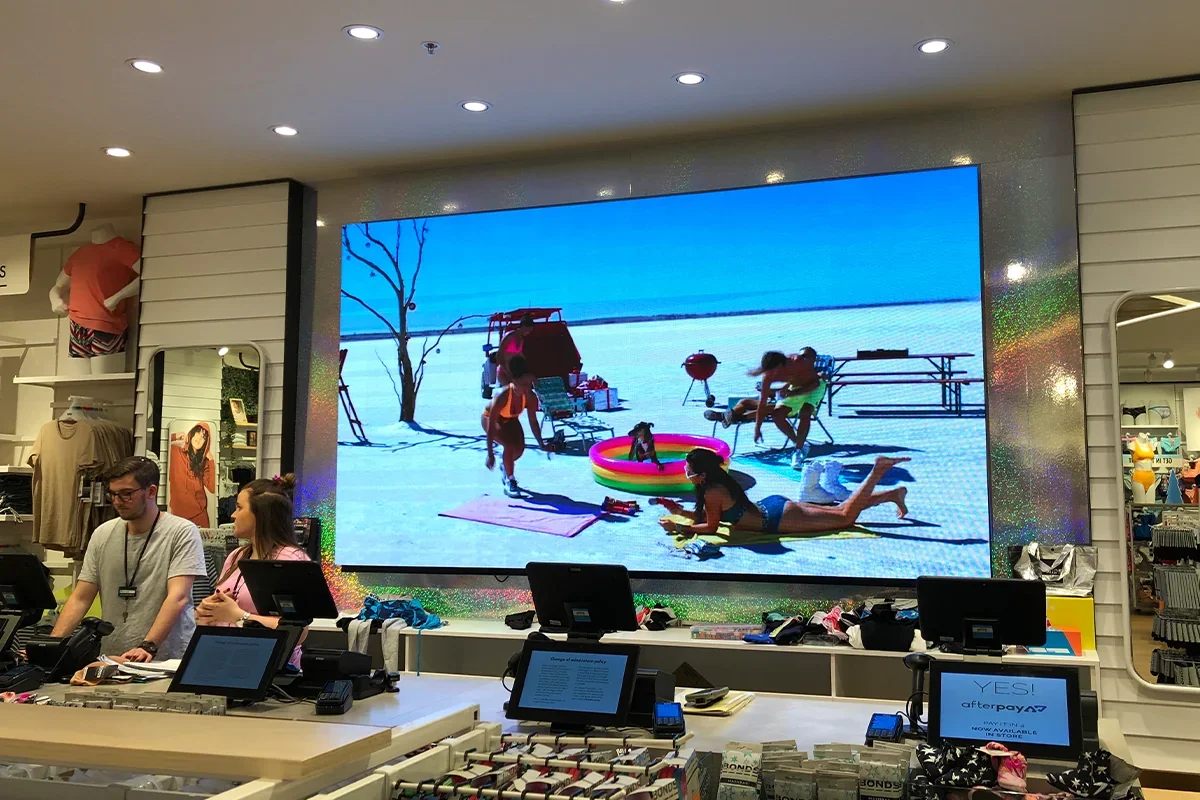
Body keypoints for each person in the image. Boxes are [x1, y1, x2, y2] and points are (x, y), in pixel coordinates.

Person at [52, 457, 206, 662]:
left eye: (126, 494)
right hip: (113, 655)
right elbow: (81, 597)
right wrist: (52, 646)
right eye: (112, 494)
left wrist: (148, 646)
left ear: (151, 492)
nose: (117, 501)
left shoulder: (182, 532)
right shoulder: (102, 534)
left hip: (167, 659)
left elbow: (178, 597)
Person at [657, 448, 909, 537]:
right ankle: (892, 495)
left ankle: (877, 471)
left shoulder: (712, 491)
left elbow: (712, 528)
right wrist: (680, 512)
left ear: (701, 475)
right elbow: (713, 518)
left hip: (777, 519)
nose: (685, 471)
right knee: (836, 511)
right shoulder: (717, 483)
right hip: (774, 506)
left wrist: (680, 528)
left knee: (844, 517)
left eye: (688, 469)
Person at [195, 474, 309, 668]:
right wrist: (207, 613)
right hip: (225, 661)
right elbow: (223, 612)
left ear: (261, 514)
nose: (232, 515)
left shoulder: (290, 560)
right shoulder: (236, 556)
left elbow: (298, 632)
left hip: (269, 669)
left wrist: (239, 616)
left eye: (239, 508)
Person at [705, 348, 825, 469]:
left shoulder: (798, 361)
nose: (772, 375)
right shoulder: (768, 376)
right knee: (777, 414)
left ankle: (798, 451)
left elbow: (815, 383)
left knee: (805, 413)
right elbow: (762, 405)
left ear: (782, 365)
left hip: (814, 388)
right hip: (794, 389)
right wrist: (757, 428)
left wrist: (792, 390)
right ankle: (801, 444)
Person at [483, 354, 549, 497]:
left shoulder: (530, 397)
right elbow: (492, 426)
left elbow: (533, 421)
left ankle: (506, 466)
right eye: (523, 384)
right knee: (509, 445)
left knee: (519, 449)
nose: (526, 388)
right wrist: (490, 454)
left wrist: (541, 443)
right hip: (491, 420)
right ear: (514, 381)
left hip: (511, 420)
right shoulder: (503, 395)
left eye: (529, 384)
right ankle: (510, 480)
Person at [169, 423, 215, 527]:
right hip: (178, 515)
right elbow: (160, 443)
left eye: (203, 437)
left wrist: (211, 461)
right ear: (191, 434)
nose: (199, 438)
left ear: (205, 443)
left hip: (199, 515)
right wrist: (175, 436)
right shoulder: (176, 452)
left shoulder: (204, 462)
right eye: (198, 433)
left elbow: (212, 488)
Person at [495, 312, 535, 386]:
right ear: (522, 326)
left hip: (515, 372)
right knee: (510, 391)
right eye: (527, 330)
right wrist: (507, 372)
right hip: (504, 371)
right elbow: (498, 355)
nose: (528, 332)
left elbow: (520, 355)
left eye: (530, 331)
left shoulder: (521, 340)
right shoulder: (509, 336)